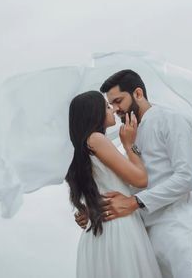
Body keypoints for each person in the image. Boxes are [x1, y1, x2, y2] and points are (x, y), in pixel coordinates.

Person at [76, 70, 192, 278]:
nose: (115, 109)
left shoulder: (171, 119)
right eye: (110, 105)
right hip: (144, 241)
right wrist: (93, 209)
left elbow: (187, 177)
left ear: (138, 93)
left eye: (118, 101)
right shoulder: (129, 139)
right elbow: (124, 187)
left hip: (178, 232)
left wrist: (135, 202)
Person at [66, 90, 162, 278]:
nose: (112, 110)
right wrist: (130, 145)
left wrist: (87, 209)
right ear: (96, 113)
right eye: (107, 107)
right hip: (117, 226)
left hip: (99, 231)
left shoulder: (81, 148)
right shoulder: (96, 139)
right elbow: (141, 180)